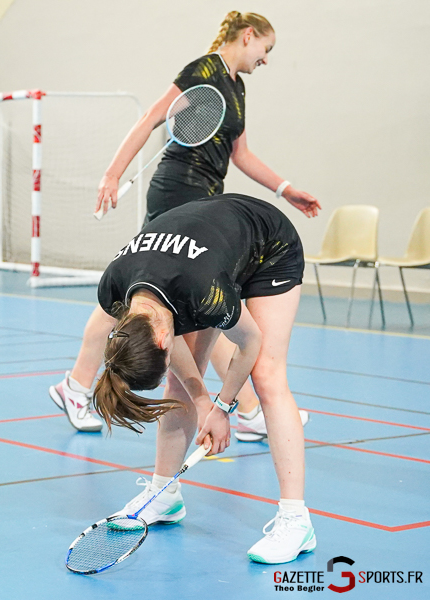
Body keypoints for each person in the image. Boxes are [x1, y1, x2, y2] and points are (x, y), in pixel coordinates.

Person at [51, 11, 319, 436]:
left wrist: (285, 189)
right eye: (265, 48)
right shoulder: (203, 71)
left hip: (206, 198)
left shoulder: (237, 87)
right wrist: (112, 174)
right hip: (177, 191)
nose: (265, 59)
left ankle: (79, 385)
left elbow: (241, 155)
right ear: (248, 35)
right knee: (158, 300)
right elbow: (151, 118)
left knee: (180, 305)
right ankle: (80, 386)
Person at [55, 194, 315, 563]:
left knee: (267, 377)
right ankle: (164, 495)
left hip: (267, 244)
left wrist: (223, 408)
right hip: (205, 257)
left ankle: (297, 520)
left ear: (162, 339)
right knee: (179, 384)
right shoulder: (115, 289)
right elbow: (173, 347)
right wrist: (201, 401)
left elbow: (250, 341)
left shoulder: (204, 292)